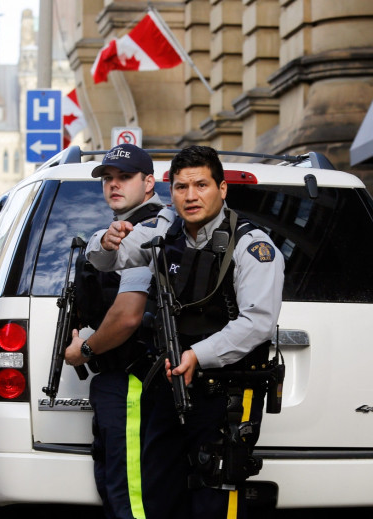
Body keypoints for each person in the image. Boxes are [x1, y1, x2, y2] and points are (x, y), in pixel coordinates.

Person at [86, 145, 284, 519]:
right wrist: (105, 240)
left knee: (213, 498)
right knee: (158, 492)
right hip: (169, 382)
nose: (190, 196)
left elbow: (257, 322)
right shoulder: (165, 227)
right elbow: (110, 258)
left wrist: (198, 355)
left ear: (222, 189)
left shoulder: (252, 246)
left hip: (225, 390)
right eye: (180, 187)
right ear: (169, 190)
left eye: (201, 185)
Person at [64, 143, 163, 519]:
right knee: (114, 485)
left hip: (137, 377)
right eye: (108, 178)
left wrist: (83, 351)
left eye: (125, 177)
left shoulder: (152, 231)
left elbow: (127, 318)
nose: (114, 185)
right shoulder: (112, 236)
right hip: (118, 381)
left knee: (131, 498)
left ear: (149, 182)